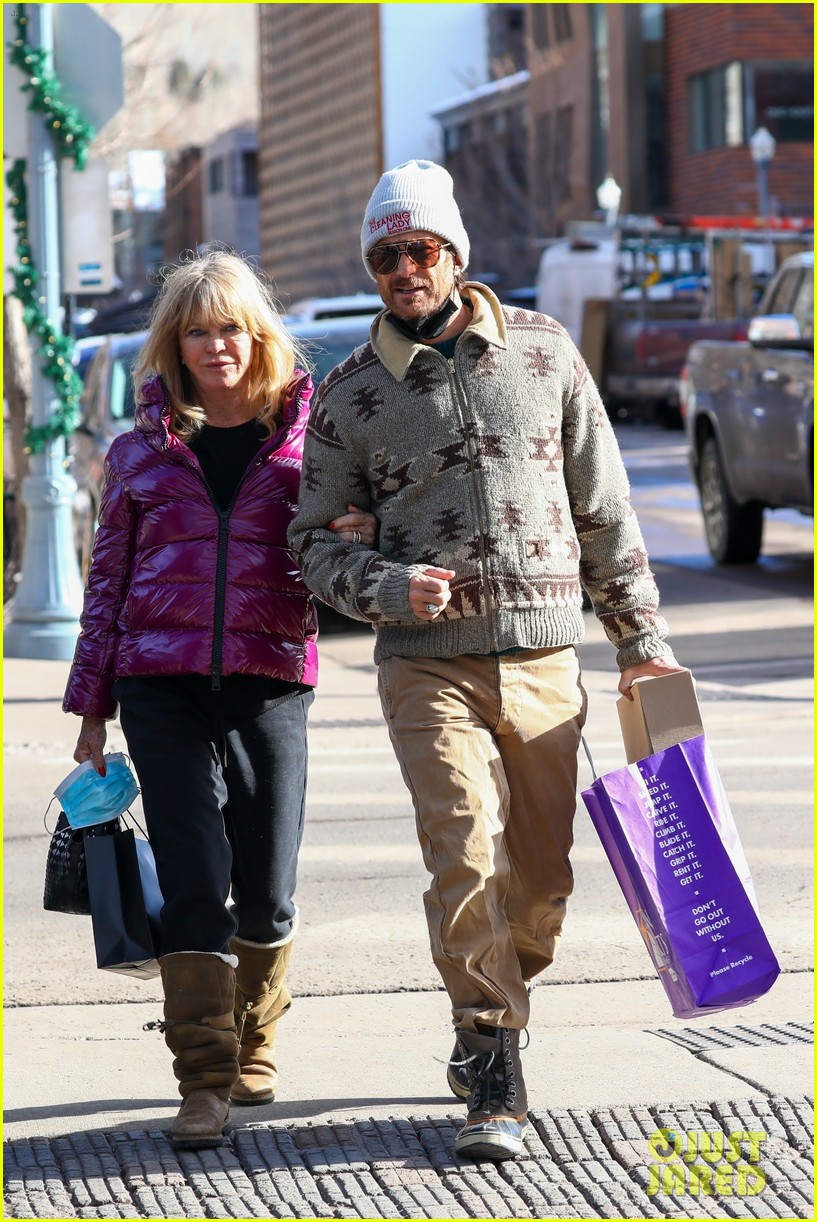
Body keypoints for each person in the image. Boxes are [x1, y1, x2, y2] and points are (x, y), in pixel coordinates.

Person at [289, 160, 685, 1162]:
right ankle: (491, 1063)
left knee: (542, 881)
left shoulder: (547, 357)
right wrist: (384, 586)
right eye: (383, 256)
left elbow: (605, 510)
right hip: (426, 665)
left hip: (549, 655)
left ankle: (500, 990)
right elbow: (311, 544)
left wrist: (641, 645)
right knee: (459, 850)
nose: (400, 269)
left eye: (417, 249)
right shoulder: (348, 397)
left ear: (456, 254)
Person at [63, 250, 376, 1151]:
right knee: (195, 881)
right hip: (157, 684)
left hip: (270, 677)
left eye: (229, 328)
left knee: (267, 889)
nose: (214, 346)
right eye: (196, 330)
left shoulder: (313, 447)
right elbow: (106, 583)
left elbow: (352, 544)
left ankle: (253, 1043)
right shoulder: (138, 454)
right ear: (174, 345)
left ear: (259, 336)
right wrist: (92, 705)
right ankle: (202, 1080)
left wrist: (363, 535)